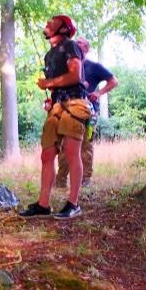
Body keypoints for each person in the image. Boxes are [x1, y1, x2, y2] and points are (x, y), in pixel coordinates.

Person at [20, 15, 91, 219]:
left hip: (75, 103)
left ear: (64, 28)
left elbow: (75, 76)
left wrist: (49, 83)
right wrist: (51, 100)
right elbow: (59, 84)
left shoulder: (70, 46)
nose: (48, 23)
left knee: (70, 151)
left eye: (53, 21)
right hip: (57, 106)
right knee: (47, 155)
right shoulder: (49, 55)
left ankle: (73, 204)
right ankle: (43, 205)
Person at [55, 37, 118, 190]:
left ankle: (85, 180)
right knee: (64, 145)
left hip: (88, 112)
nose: (76, 45)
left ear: (87, 49)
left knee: (85, 146)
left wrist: (99, 92)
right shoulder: (67, 67)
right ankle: (61, 181)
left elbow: (113, 81)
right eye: (75, 43)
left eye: (80, 43)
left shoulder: (94, 67)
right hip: (67, 111)